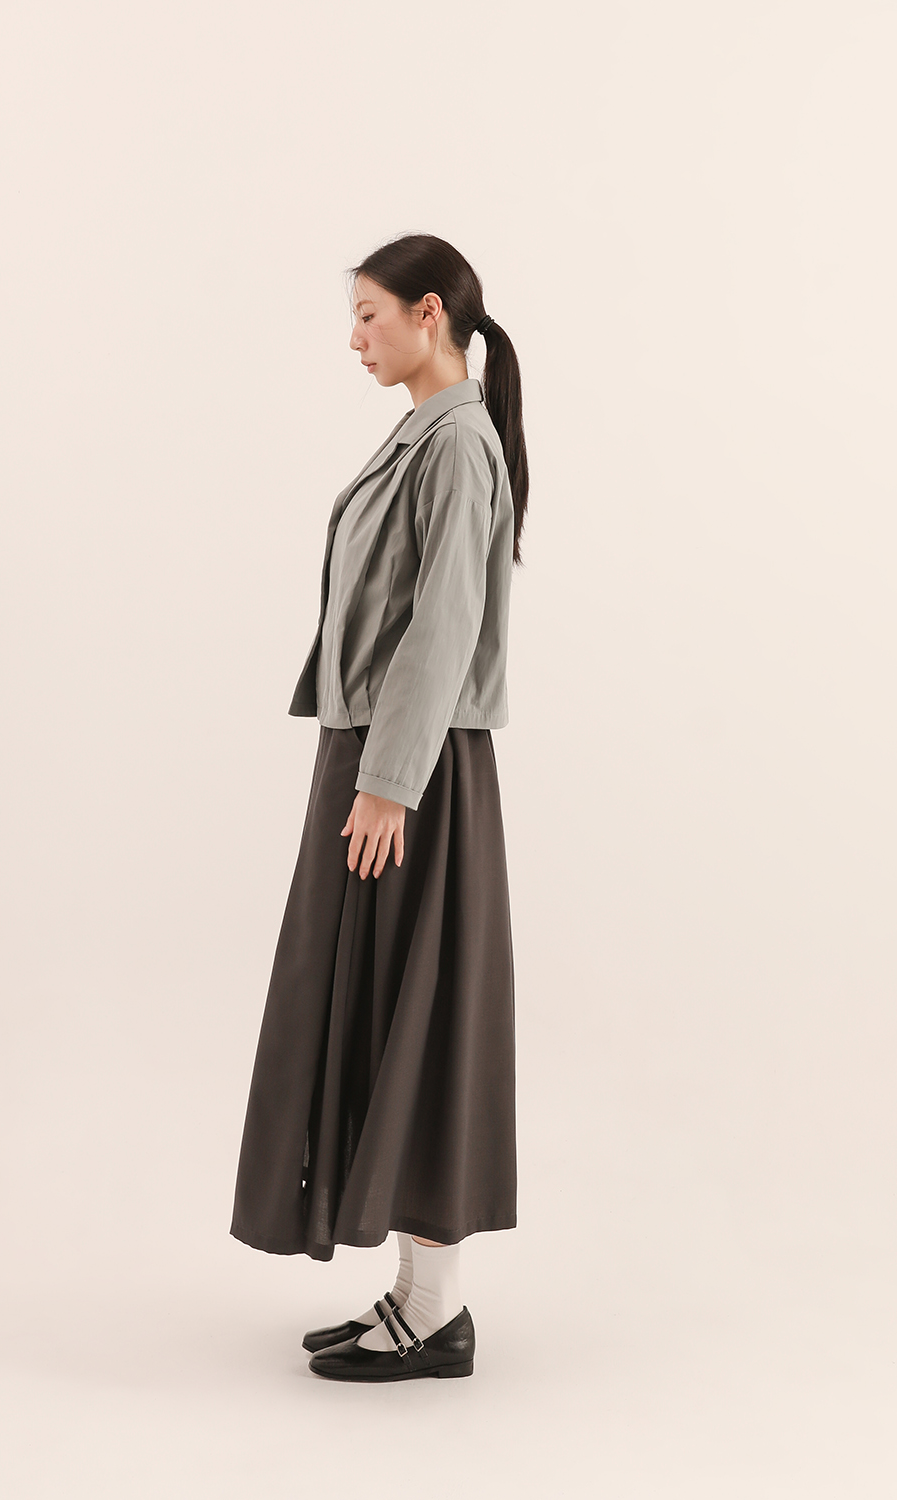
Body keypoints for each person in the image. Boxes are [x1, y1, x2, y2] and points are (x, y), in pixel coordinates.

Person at [230, 231, 529, 1382]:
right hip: (382, 761)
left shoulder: (456, 443)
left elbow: (442, 626)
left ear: (429, 312)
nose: (354, 338)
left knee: (417, 1017)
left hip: (412, 774)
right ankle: (415, 1294)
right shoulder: (430, 434)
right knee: (379, 1007)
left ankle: (435, 1310)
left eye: (368, 314)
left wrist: (389, 785)